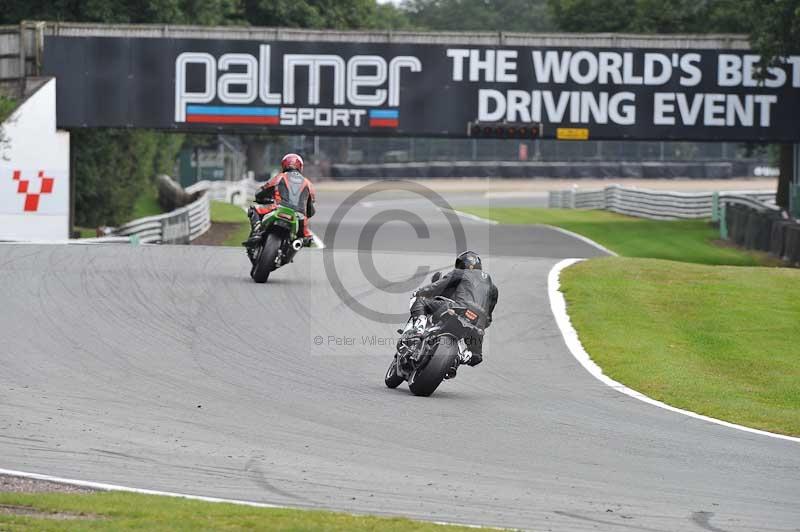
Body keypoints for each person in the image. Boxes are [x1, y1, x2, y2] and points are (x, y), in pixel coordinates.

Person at [403, 251, 498, 376]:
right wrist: (480, 326)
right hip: (478, 322)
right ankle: (460, 358)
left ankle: (418, 330)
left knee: (421, 301)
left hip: (457, 308)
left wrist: (420, 292)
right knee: (475, 356)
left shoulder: (460, 272)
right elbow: (489, 316)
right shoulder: (493, 287)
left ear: (464, 264)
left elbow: (437, 286)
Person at [243, 153, 316, 248]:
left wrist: (260, 199)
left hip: (278, 208)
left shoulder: (280, 177)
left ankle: (256, 232)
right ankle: (297, 243)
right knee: (307, 238)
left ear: (284, 165)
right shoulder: (308, 183)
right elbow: (310, 208)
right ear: (300, 167)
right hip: (300, 216)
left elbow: (261, 191)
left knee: (254, 210)